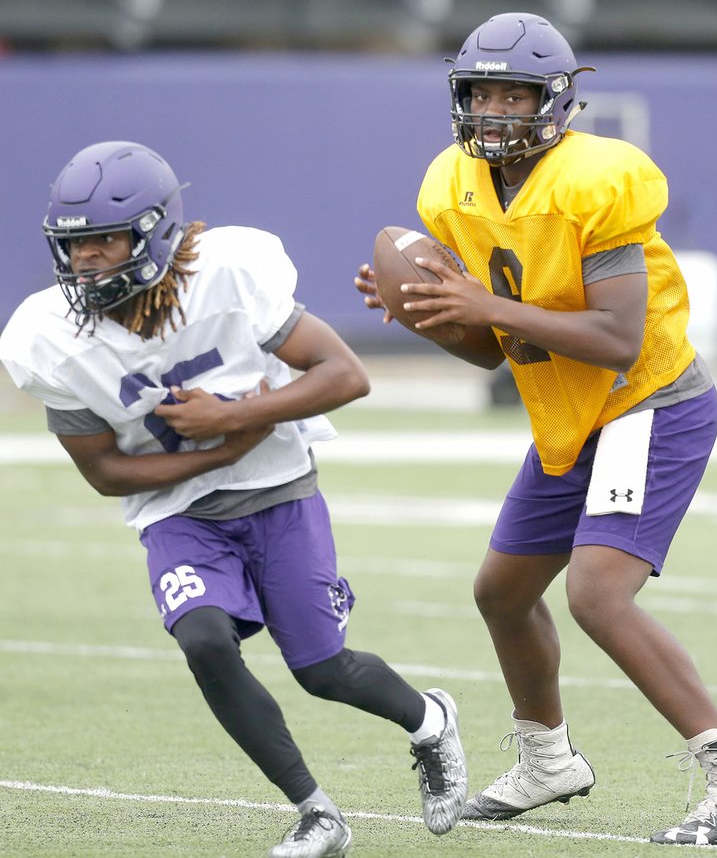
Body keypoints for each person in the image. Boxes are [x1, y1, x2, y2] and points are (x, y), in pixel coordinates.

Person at [354, 13, 717, 847]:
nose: (495, 109)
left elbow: (618, 337)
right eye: (481, 91)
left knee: (595, 593)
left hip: (646, 401)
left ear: (555, 101)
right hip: (570, 413)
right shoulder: (452, 186)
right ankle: (548, 759)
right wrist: (432, 317)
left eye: (514, 92)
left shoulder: (599, 178)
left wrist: (483, 303)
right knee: (502, 593)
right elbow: (490, 352)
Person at [0, 140, 468, 857]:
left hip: (277, 488)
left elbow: (345, 375)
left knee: (322, 669)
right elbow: (103, 472)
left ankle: (430, 721)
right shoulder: (46, 337)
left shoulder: (227, 272)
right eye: (74, 246)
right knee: (205, 641)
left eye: (103, 241)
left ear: (154, 234)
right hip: (178, 511)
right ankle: (317, 813)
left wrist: (235, 417)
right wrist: (219, 447)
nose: (86, 260)